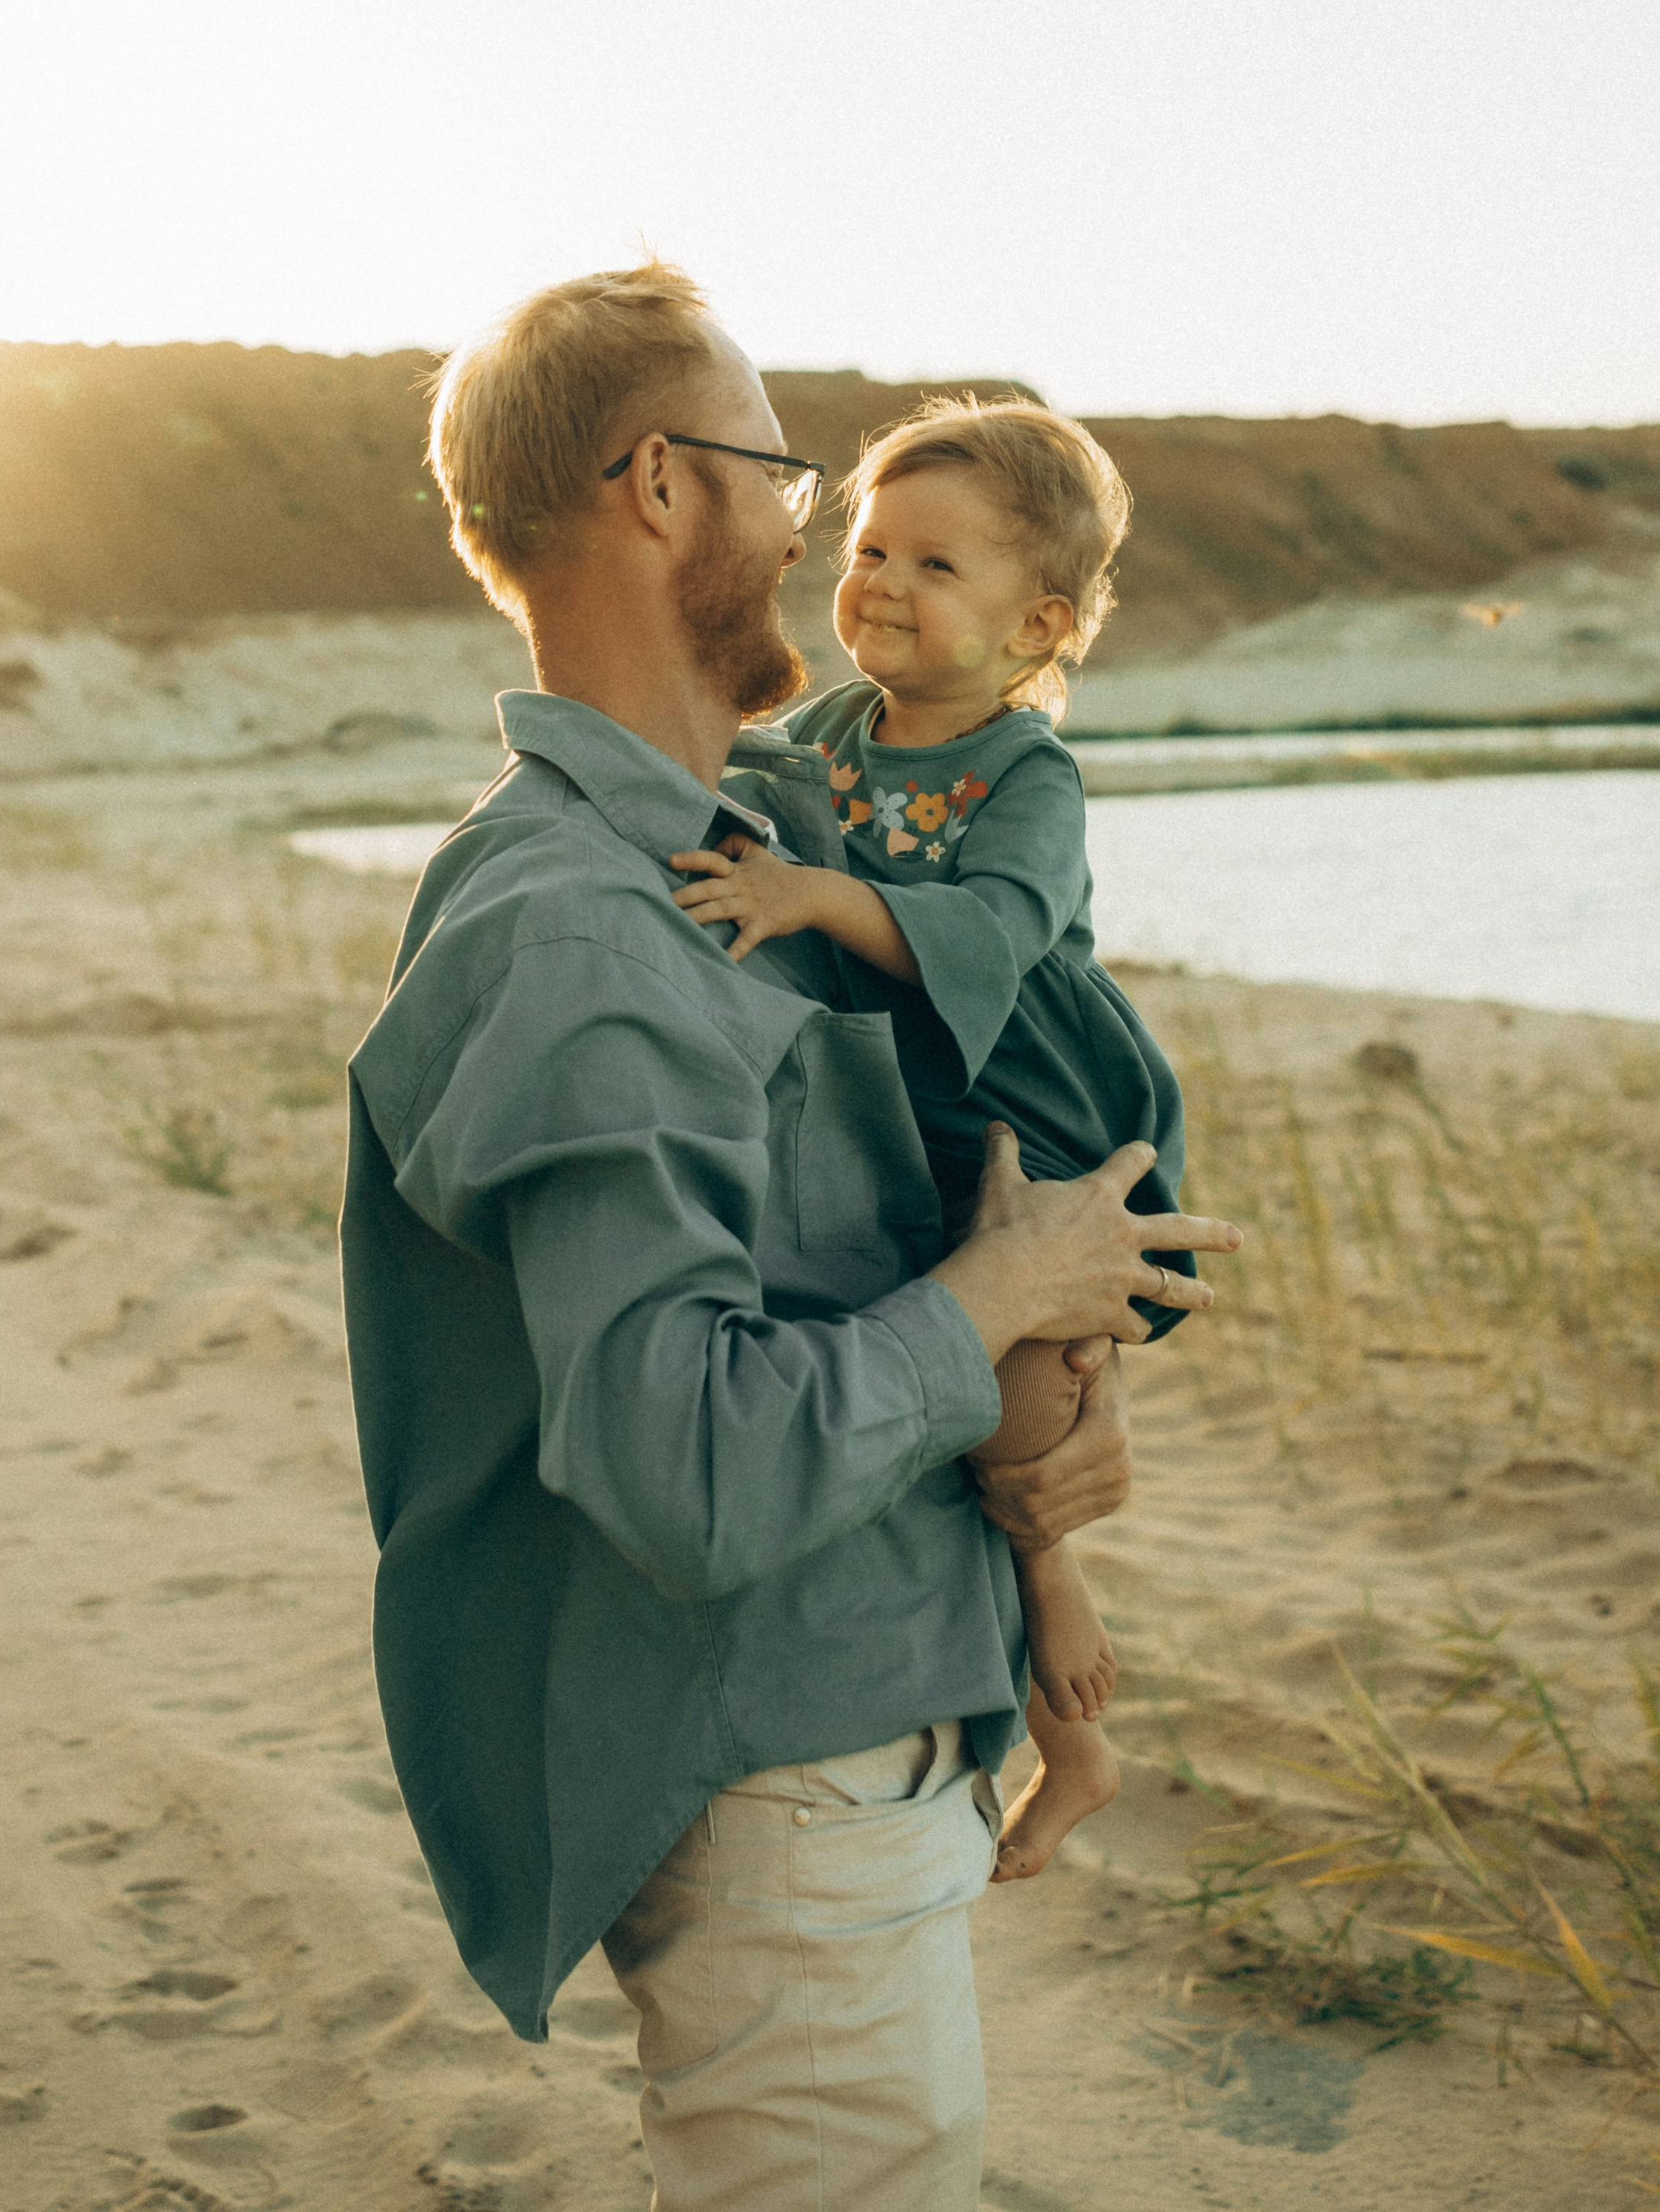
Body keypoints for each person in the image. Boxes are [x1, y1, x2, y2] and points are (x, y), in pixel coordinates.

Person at [339, 262, 1235, 2211]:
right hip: (784, 1768)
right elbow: (687, 1464)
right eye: (791, 478)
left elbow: (907, 1206)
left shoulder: (737, 841)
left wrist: (1045, 1396)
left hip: (860, 1713)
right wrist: (1009, 1292)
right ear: (665, 489)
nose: (820, 538)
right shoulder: (579, 920)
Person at [668, 394, 1185, 1888]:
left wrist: (807, 900)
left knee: (1018, 1342)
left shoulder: (1028, 775)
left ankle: (1065, 1677)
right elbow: (728, 776)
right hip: (909, 1081)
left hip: (1024, 1085)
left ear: (1035, 627)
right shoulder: (823, 733)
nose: (880, 583)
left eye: (933, 566)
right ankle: (1046, 1668)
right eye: (870, 546)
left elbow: (1001, 926)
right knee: (966, 1344)